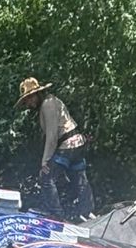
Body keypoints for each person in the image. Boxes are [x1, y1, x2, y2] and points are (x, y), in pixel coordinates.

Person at [15, 76, 93, 221]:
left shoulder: (47, 104)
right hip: (77, 144)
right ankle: (86, 210)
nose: (29, 103)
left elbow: (52, 137)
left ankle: (57, 215)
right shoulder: (52, 101)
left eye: (30, 99)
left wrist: (45, 161)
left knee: (46, 177)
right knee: (78, 177)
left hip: (67, 145)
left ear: (37, 94)